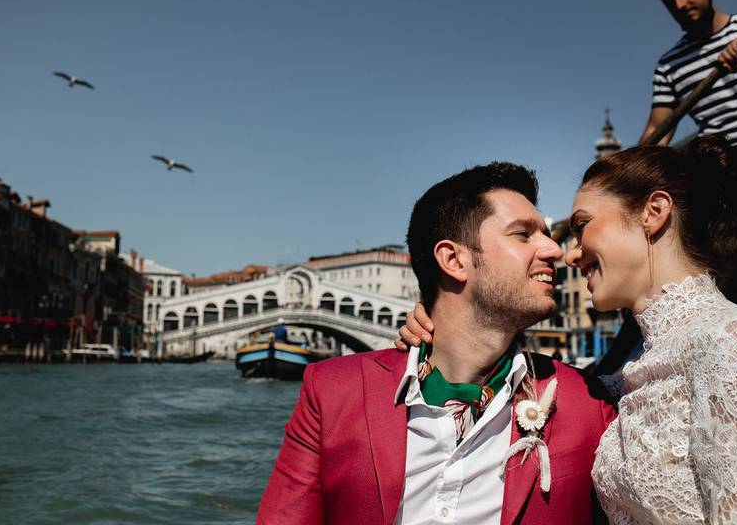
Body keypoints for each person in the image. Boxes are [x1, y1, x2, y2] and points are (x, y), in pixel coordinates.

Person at [399, 140, 737, 524]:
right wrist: (439, 333)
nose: (568, 253)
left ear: (654, 212)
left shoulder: (735, 341)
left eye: (582, 227)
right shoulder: (626, 374)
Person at [258, 163, 616, 525]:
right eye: (523, 235)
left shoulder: (590, 405)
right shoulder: (333, 391)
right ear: (453, 260)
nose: (554, 250)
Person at [638, 0, 737, 323]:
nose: (680, 5)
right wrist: (627, 171)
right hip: (724, 165)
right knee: (730, 270)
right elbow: (660, 127)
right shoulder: (671, 65)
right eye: (671, 2)